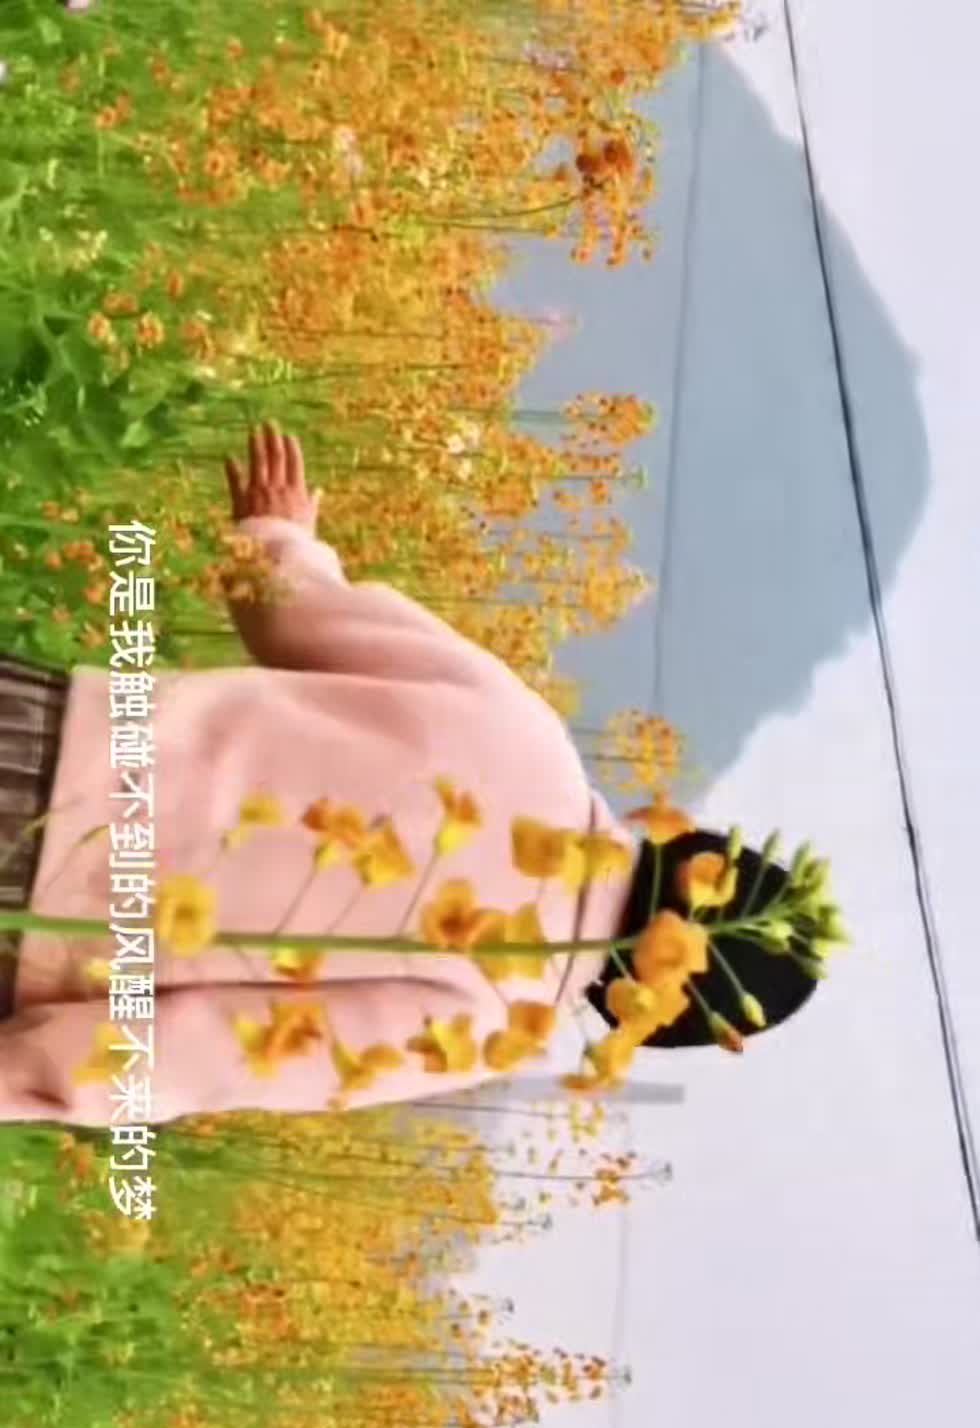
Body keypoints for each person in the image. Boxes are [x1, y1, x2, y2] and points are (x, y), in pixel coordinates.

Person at [0, 424, 824, 1127]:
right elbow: (199, 1053)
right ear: (650, 1013)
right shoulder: (496, 1020)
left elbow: (289, 612)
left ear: (694, 849)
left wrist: (278, 533)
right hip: (36, 931)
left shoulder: (530, 739)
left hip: (44, 730)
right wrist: (28, 1078)